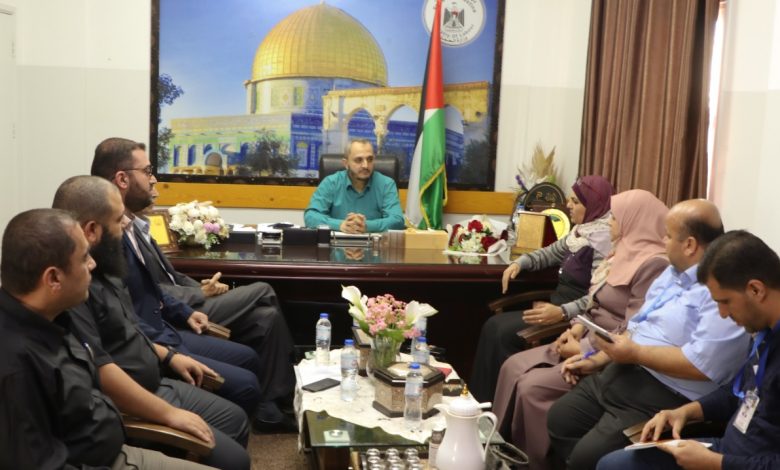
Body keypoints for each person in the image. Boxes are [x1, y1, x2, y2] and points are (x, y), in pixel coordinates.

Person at [91, 137, 296, 432]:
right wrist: (195, 297)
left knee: (266, 318)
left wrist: (186, 309)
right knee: (264, 291)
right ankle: (271, 400)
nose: (154, 179)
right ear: (122, 179)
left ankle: (276, 403)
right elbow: (129, 314)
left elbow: (160, 284)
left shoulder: (135, 225)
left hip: (171, 321)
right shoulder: (108, 240)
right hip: (156, 340)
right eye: (147, 171)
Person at [53, 176, 251, 469]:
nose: (126, 225)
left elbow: (129, 329)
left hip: (158, 376)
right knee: (236, 460)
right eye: (118, 219)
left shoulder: (108, 268)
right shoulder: (76, 288)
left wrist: (169, 356)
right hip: (135, 400)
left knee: (237, 419)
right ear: (91, 230)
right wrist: (169, 414)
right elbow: (102, 370)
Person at [0, 208, 213, 469]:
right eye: (84, 258)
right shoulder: (15, 365)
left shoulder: (53, 315)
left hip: (111, 440)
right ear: (54, 278)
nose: (92, 264)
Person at [546, 199, 751, 470]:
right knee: (560, 419)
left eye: (667, 236)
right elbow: (640, 327)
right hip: (625, 371)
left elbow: (703, 365)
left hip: (667, 393)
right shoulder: (671, 273)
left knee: (588, 457)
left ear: (689, 245)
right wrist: (598, 359)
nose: (662, 241)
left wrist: (635, 354)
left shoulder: (720, 291)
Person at [491, 189, 670, 470]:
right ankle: (500, 450)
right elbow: (594, 300)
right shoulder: (621, 252)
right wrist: (575, 328)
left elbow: (633, 327)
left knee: (530, 388)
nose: (610, 223)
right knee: (511, 366)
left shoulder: (654, 266)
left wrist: (584, 349)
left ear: (634, 220)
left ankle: (537, 462)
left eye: (616, 218)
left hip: (606, 353)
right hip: (587, 335)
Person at [596, 230, 780, 470]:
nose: (723, 314)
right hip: (729, 450)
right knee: (613, 464)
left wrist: (716, 463)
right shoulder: (764, 332)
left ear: (756, 290)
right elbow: (742, 391)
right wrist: (687, 412)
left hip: (739, 463)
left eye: (725, 302)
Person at [470, 175, 615, 403]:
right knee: (493, 325)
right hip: (554, 308)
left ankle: (497, 405)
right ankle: (480, 402)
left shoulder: (603, 242)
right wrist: (520, 263)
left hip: (572, 320)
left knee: (502, 333)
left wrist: (562, 312)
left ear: (593, 206)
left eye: (575, 201)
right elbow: (548, 253)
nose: (568, 205)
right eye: (569, 199)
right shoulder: (580, 232)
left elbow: (596, 298)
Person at [304, 139, 405, 233]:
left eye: (370, 159)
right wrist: (340, 225)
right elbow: (311, 217)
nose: (365, 165)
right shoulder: (331, 182)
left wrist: (366, 226)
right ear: (346, 163)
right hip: (337, 243)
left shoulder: (386, 184)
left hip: (375, 244)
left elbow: (397, 220)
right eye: (358, 160)